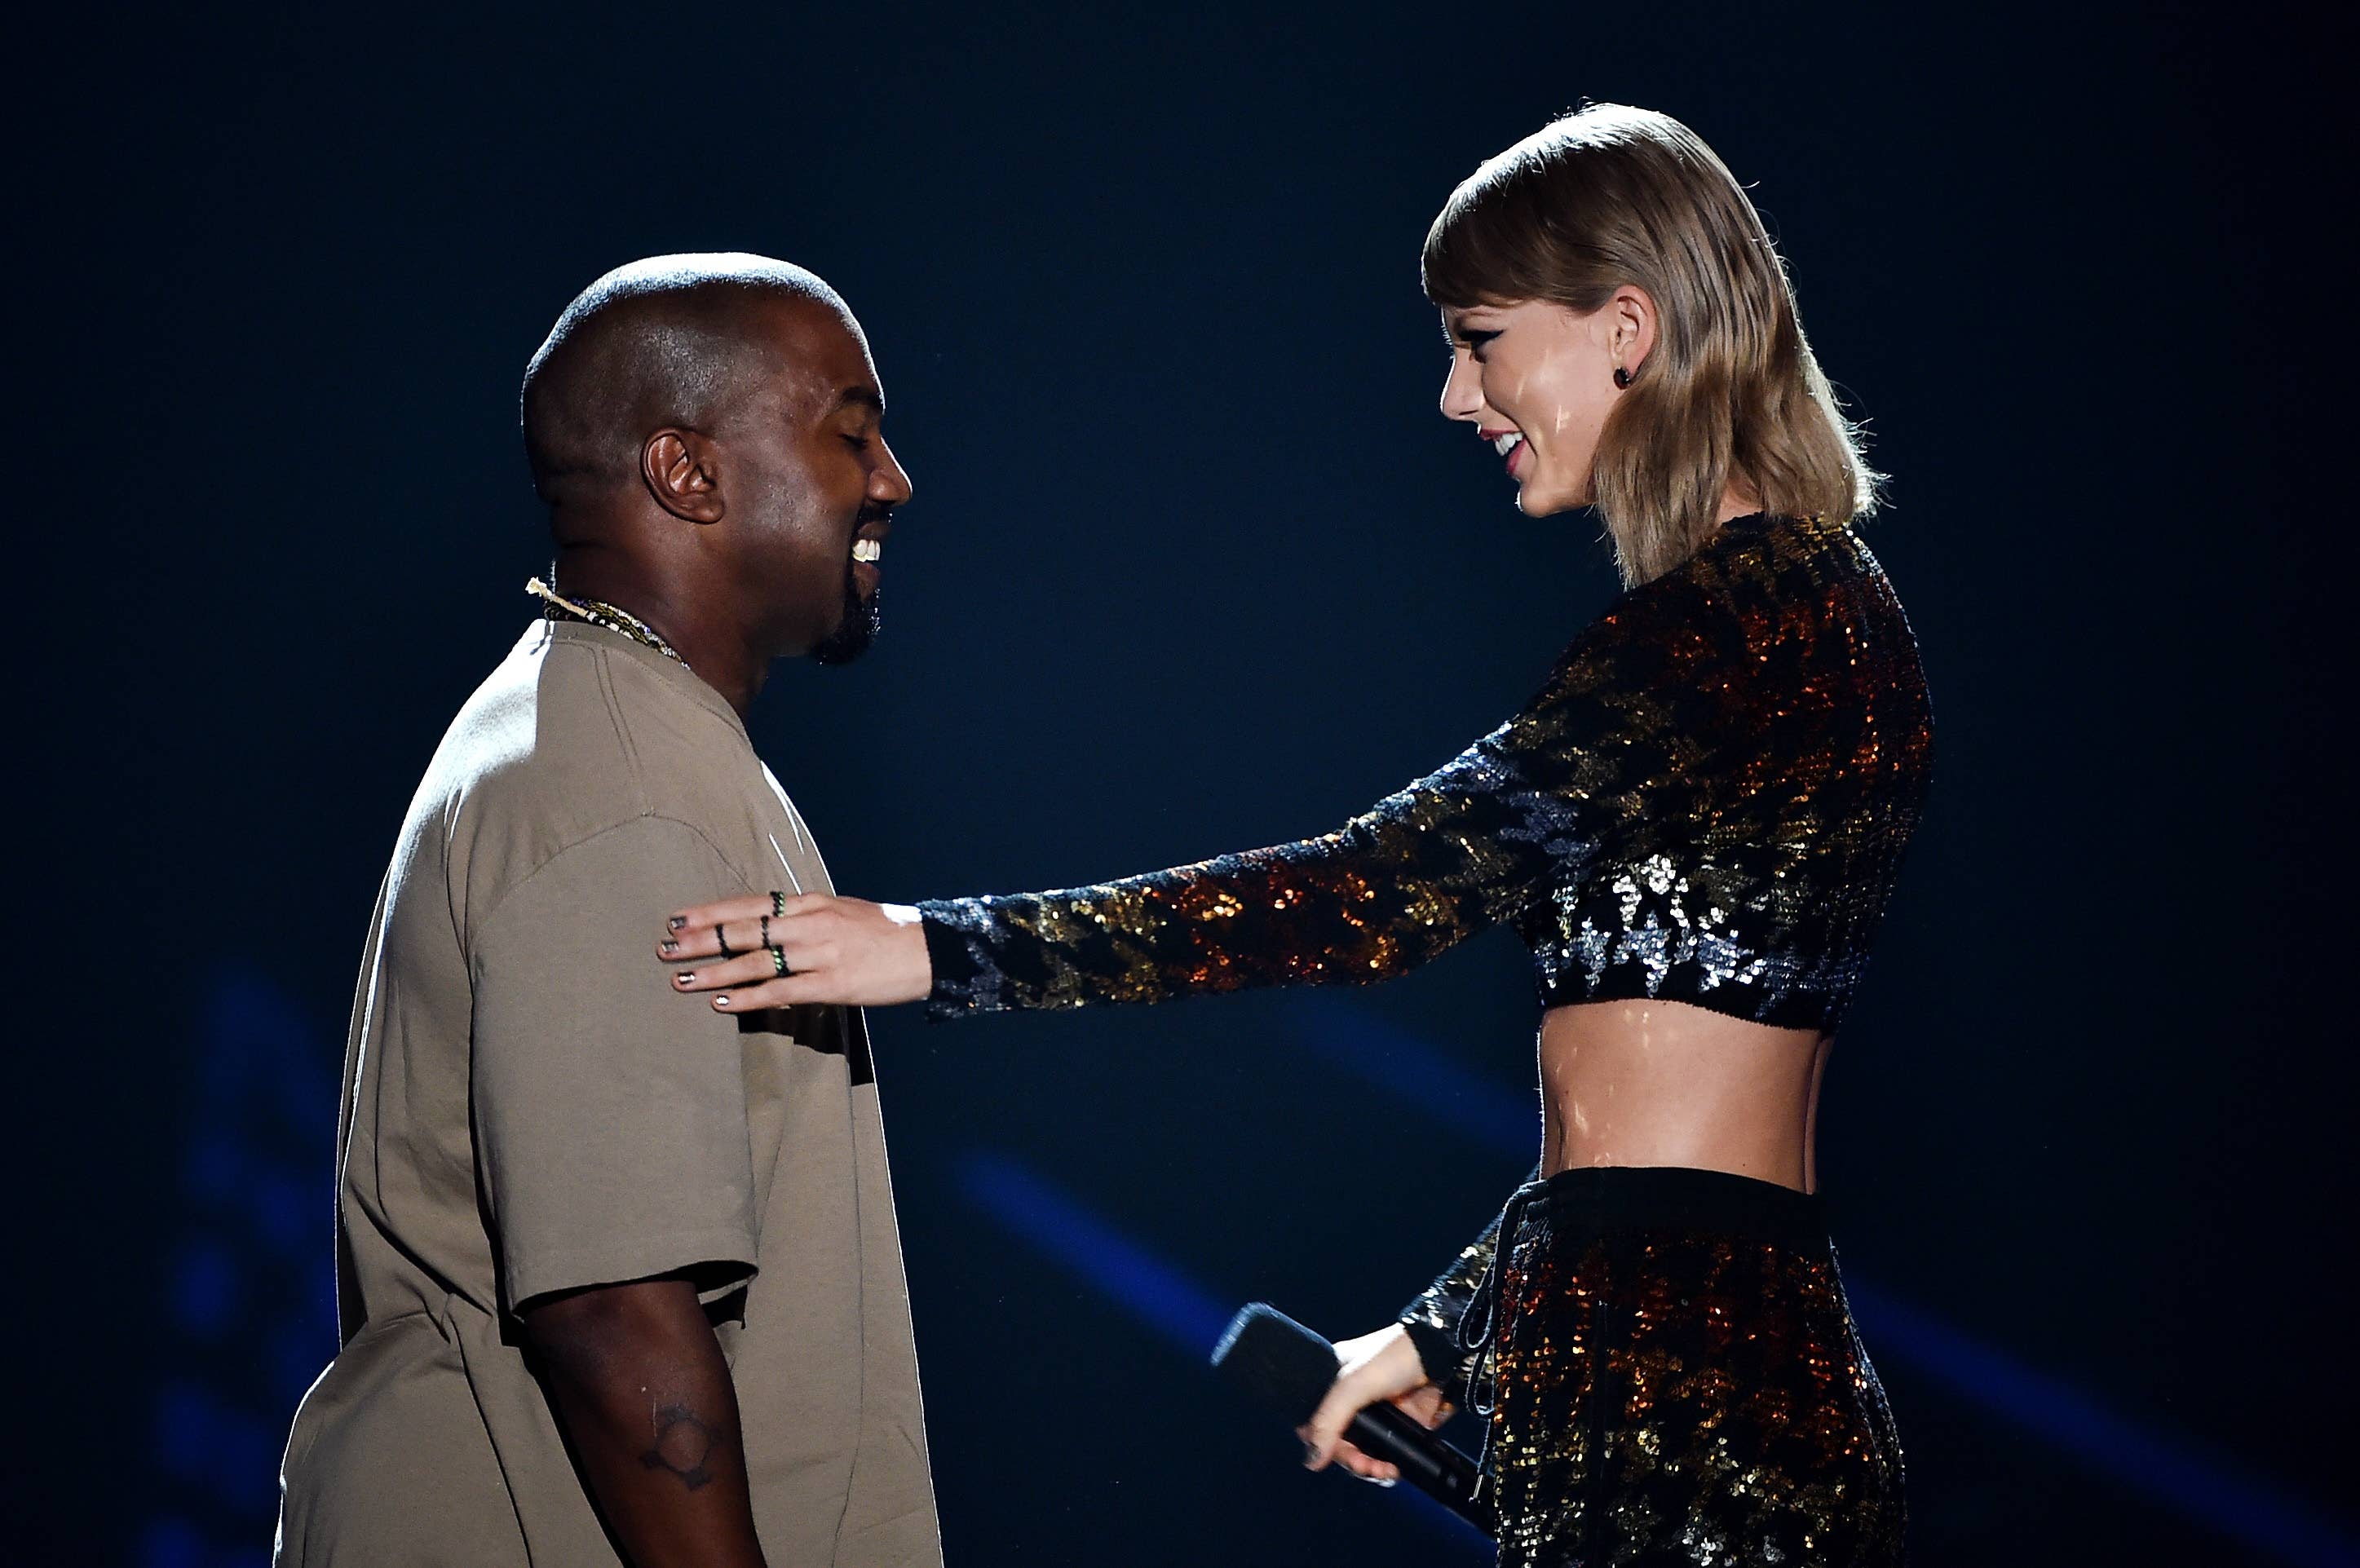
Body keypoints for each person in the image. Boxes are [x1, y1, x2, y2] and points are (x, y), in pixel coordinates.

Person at [661, 106, 1930, 1566]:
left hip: (1687, 1399)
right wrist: (1456, 1326)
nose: (1457, 395)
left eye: (1480, 336)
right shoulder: (1797, 615)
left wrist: (930, 950)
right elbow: (1656, 1116)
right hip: (1682, 1357)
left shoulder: (1730, 629)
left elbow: (1374, 893)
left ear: (1625, 326)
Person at [274, 254, 941, 1567]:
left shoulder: (608, 732)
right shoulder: (622, 781)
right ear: (686, 473)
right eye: (851, 432)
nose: (891, 481)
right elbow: (612, 1302)